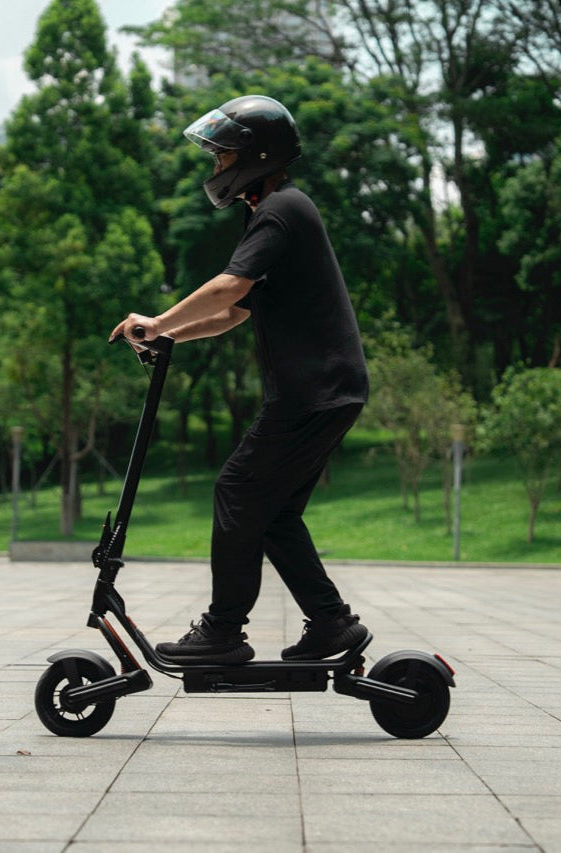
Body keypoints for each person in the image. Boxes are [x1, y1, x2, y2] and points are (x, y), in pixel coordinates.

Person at [110, 94, 370, 665]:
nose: (216, 167)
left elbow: (229, 287)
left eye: (222, 156)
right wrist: (171, 335)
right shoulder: (274, 210)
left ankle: (223, 632)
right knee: (272, 512)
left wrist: (156, 320)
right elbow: (235, 312)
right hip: (327, 391)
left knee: (236, 491)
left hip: (313, 391)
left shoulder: (282, 209)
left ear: (254, 156)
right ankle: (332, 625)